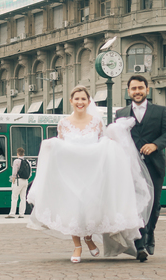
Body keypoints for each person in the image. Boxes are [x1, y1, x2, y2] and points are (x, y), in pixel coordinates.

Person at [27, 85, 154, 263]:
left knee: (89, 210)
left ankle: (88, 239)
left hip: (93, 174)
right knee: (74, 209)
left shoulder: (96, 122)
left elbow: (102, 143)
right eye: (76, 99)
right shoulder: (63, 123)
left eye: (83, 99)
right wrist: (51, 146)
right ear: (71, 101)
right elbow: (62, 147)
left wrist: (111, 145)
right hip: (71, 174)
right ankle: (77, 246)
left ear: (88, 101)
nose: (80, 102)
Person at [114, 74, 166, 261]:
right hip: (130, 168)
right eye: (134, 88)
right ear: (128, 91)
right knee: (135, 206)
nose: (137, 91)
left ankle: (150, 233)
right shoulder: (121, 114)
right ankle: (140, 244)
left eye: (140, 88)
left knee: (154, 205)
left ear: (147, 90)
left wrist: (155, 145)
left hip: (154, 166)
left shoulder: (160, 111)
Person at [7, 147, 31, 218]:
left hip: (18, 180)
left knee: (14, 197)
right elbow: (30, 174)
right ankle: (21, 214)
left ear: (17, 154)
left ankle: (12, 213)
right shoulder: (27, 161)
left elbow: (14, 172)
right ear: (23, 154)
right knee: (23, 197)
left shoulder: (16, 161)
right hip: (25, 181)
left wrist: (13, 180)